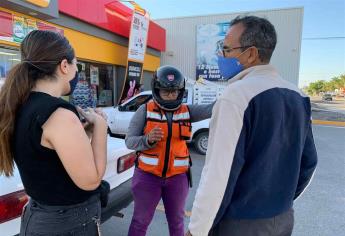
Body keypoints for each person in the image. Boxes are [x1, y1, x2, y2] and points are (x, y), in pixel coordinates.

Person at [186, 15, 318, 236]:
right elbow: (309, 163)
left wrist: (197, 230)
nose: (220, 55)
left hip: (240, 224)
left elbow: (218, 175)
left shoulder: (236, 96)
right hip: (283, 219)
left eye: (226, 49)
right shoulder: (299, 96)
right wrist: (280, 202)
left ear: (251, 54)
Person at [0, 30, 108, 235]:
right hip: (66, 224)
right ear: (64, 65)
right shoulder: (58, 113)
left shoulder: (22, 105)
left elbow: (50, 159)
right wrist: (101, 126)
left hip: (40, 217)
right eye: (76, 65)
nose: (77, 72)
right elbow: (91, 180)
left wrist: (85, 131)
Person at [126, 65, 214, 236]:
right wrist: (148, 139)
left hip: (177, 179)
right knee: (140, 221)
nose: (171, 95)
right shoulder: (144, 110)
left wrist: (237, 89)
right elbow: (130, 141)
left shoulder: (187, 111)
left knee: (177, 222)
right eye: (166, 92)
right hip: (147, 177)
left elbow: (212, 108)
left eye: (174, 92)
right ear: (157, 90)